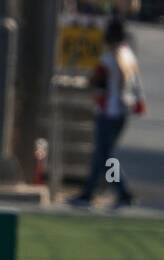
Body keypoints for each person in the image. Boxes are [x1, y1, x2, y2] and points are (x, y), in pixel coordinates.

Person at [71, 16, 148, 208]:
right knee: (103, 155)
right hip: (123, 112)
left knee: (105, 156)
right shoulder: (128, 55)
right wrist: (138, 101)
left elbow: (96, 83)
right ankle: (92, 192)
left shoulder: (108, 59)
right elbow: (136, 82)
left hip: (108, 112)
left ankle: (119, 192)